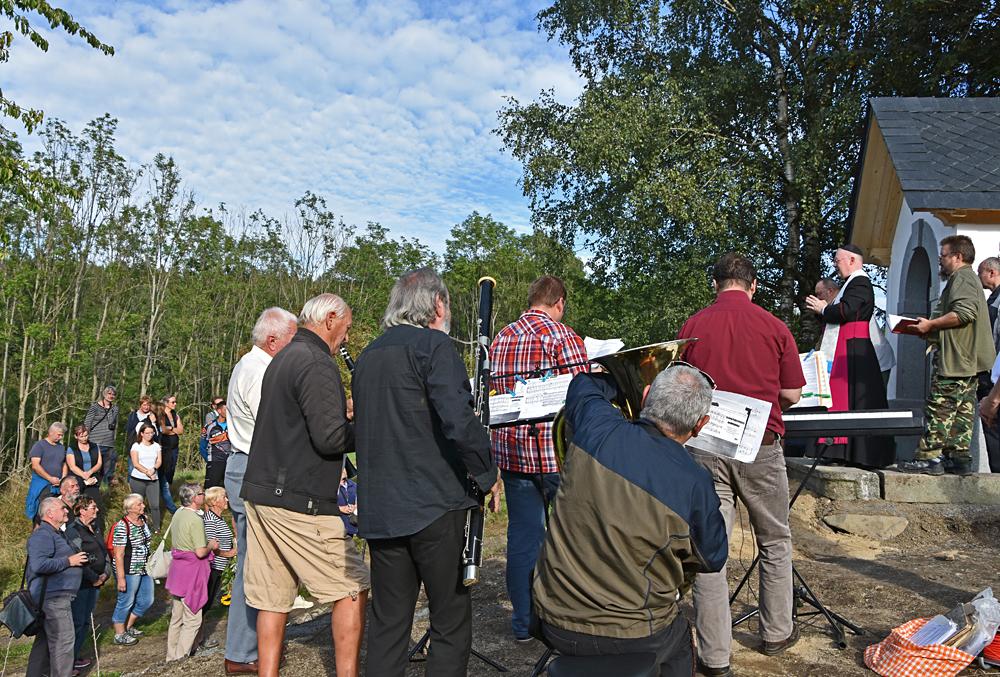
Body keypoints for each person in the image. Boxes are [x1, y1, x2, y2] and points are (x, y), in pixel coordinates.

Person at [534, 366, 728, 675]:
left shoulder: (596, 426)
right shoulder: (694, 482)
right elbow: (714, 556)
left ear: (647, 395)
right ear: (701, 425)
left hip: (555, 619)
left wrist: (621, 378)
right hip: (635, 635)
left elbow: (583, 383)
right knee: (679, 641)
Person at [354, 268, 500, 677]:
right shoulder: (435, 347)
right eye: (447, 303)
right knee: (450, 619)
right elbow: (458, 420)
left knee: (388, 623)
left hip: (383, 510)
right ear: (438, 305)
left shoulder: (369, 356)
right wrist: (488, 474)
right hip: (434, 505)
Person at [678, 252, 805, 677]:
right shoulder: (774, 326)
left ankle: (715, 657)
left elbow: (682, 387)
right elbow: (791, 395)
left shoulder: (693, 326)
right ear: (753, 285)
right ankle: (777, 632)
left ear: (715, 284)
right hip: (760, 445)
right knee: (774, 539)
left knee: (711, 545)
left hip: (707, 442)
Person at [242, 294, 369, 677]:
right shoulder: (317, 362)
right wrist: (369, 429)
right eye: (345, 329)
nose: (345, 339)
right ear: (331, 318)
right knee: (353, 585)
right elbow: (330, 439)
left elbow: (299, 423)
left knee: (272, 595)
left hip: (261, 491)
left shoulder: (284, 357)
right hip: (297, 498)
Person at [488, 274, 589, 641]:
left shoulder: (501, 337)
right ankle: (569, 622)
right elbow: (583, 397)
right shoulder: (563, 337)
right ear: (559, 302)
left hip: (513, 455)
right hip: (555, 456)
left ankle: (524, 623)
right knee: (573, 537)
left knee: (522, 538)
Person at [221, 307, 298, 676]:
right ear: (272, 340)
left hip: (249, 465)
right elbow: (273, 428)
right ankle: (243, 650)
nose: (294, 346)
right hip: (254, 466)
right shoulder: (259, 370)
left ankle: (249, 646)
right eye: (291, 339)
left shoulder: (248, 366)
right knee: (255, 567)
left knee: (257, 564)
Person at [901, 235, 995, 476]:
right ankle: (959, 457)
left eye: (942, 256)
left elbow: (964, 313)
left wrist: (931, 324)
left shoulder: (962, 278)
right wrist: (931, 331)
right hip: (968, 360)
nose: (939, 261)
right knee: (963, 409)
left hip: (957, 359)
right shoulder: (968, 279)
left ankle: (930, 457)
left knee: (940, 407)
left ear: (957, 256)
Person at [805, 245, 894, 468]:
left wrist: (824, 309)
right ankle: (842, 451)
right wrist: (824, 310)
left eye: (838, 260)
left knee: (855, 400)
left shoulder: (860, 282)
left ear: (852, 260)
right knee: (849, 400)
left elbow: (848, 310)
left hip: (853, 349)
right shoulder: (851, 284)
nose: (836, 264)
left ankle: (856, 453)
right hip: (848, 348)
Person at [26, 496, 88, 677]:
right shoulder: (43, 535)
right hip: (53, 599)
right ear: (50, 513)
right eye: (63, 508)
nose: (67, 510)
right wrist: (69, 561)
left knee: (45, 643)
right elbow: (38, 565)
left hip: (56, 597)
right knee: (63, 643)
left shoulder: (55, 533)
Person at [165, 483, 219, 662]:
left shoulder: (178, 513)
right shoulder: (195, 519)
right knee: (192, 619)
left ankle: (170, 656)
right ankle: (180, 658)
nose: (204, 496)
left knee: (176, 617)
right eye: (202, 494)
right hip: (191, 573)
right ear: (195, 497)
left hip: (177, 570)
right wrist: (211, 544)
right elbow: (200, 552)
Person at [814, 277, 895, 386]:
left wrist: (822, 310)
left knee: (873, 400)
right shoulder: (834, 307)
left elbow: (839, 319)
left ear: (830, 291)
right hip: (861, 359)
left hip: (876, 359)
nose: (817, 299)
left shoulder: (845, 304)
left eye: (819, 294)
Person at [65, 496, 107, 672]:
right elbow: (78, 558)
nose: (96, 510)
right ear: (82, 510)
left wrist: (105, 573)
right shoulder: (74, 531)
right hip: (82, 583)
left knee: (85, 622)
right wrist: (94, 577)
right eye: (93, 507)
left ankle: (75, 656)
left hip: (96, 581)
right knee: (77, 621)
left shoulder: (95, 527)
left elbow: (104, 552)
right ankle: (68, 662)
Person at [110, 493, 154, 646]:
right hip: (129, 569)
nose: (142, 506)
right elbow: (119, 554)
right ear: (130, 509)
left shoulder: (143, 520)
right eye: (138, 505)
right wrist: (121, 578)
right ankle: (119, 633)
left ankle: (128, 626)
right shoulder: (122, 526)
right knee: (126, 601)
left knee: (147, 599)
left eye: (142, 503)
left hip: (145, 567)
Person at [977, 257, 1000, 472]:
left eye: (980, 272)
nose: (978, 277)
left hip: (994, 377)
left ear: (992, 273)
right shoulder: (992, 298)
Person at [202, 487, 236, 617]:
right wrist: (229, 554)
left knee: (208, 603)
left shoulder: (219, 518)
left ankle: (198, 635)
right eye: (224, 497)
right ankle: (193, 634)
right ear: (215, 501)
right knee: (205, 603)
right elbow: (211, 545)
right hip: (213, 567)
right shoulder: (211, 520)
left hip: (220, 567)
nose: (227, 499)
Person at [26, 422, 69, 520]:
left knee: (57, 512)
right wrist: (50, 478)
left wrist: (63, 479)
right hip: (42, 485)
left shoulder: (61, 447)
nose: (61, 437)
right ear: (51, 432)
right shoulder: (39, 445)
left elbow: (64, 464)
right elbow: (35, 465)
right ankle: (39, 533)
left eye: (62, 435)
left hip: (58, 485)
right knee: (42, 512)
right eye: (59, 434)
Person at [128, 422, 162, 530]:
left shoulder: (156, 446)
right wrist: (147, 472)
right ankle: (138, 526)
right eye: (147, 433)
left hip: (153, 480)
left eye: (152, 433)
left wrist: (154, 469)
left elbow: (159, 461)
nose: (150, 435)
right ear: (141, 433)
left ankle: (157, 528)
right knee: (138, 505)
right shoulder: (136, 446)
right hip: (138, 479)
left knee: (155, 505)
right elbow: (136, 464)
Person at [83, 386, 118, 487]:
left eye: (113, 394)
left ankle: (105, 491)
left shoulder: (115, 408)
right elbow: (87, 423)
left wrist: (109, 410)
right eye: (109, 394)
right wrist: (85, 439)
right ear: (104, 394)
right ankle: (92, 488)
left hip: (109, 443)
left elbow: (112, 422)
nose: (111, 396)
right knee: (94, 468)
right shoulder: (95, 407)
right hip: (95, 441)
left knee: (107, 471)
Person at [66, 425, 103, 513]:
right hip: (77, 480)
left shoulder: (95, 446)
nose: (84, 438)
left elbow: (99, 463)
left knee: (95, 504)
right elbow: (72, 466)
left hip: (92, 479)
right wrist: (84, 475)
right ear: (76, 436)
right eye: (81, 436)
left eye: (86, 435)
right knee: (77, 505)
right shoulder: (71, 448)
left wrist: (90, 472)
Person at [159, 394, 184, 515]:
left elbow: (181, 431)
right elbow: (163, 430)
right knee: (164, 473)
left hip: (174, 448)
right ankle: (167, 502)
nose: (175, 404)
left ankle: (165, 495)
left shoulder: (175, 414)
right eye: (173, 402)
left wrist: (171, 429)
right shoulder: (161, 414)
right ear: (166, 403)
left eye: (175, 402)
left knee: (170, 472)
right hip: (164, 449)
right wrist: (173, 429)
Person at [204, 400, 231, 489]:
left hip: (230, 460)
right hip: (215, 460)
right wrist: (208, 459)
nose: (228, 412)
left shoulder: (232, 425)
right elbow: (203, 444)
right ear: (219, 411)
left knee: (228, 487)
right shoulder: (210, 426)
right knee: (212, 488)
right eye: (225, 409)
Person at [200, 397, 224, 464]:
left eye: (222, 403)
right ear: (213, 406)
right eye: (218, 404)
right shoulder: (210, 416)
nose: (221, 406)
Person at [337, 466, 358, 537]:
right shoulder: (330, 488)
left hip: (351, 525)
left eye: (344, 468)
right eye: (340, 468)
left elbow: (360, 499)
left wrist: (355, 507)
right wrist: (340, 508)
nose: (343, 471)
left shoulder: (354, 485)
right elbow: (324, 505)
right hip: (337, 526)